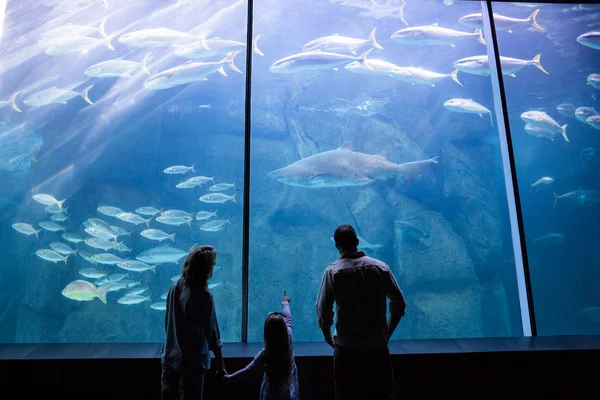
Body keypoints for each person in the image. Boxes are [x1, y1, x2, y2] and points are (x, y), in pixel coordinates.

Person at [316, 224, 406, 400]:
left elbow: (323, 310)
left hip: (346, 348)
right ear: (357, 242)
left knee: (347, 395)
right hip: (377, 347)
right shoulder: (381, 268)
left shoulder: (333, 271)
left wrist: (327, 335)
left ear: (336, 246)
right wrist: (386, 333)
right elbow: (399, 303)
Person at [161, 245, 227, 400]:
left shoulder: (174, 285)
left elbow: (167, 320)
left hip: (170, 357)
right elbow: (212, 332)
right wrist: (221, 364)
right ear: (206, 268)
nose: (214, 265)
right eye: (212, 263)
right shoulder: (204, 295)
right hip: (192, 362)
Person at [222, 291, 299, 400]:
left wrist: (228, 378)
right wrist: (285, 302)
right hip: (289, 393)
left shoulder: (266, 354)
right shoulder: (289, 340)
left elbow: (248, 370)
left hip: (271, 395)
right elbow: (288, 318)